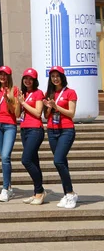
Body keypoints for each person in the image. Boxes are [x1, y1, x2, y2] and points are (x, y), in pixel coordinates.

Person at [44, 66, 78, 209]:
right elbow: (46, 116)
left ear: (62, 77)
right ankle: (67, 194)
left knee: (58, 160)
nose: (55, 78)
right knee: (62, 162)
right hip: (52, 130)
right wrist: (50, 107)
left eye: (58, 76)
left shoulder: (70, 92)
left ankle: (70, 193)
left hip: (66, 130)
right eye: (53, 76)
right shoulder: (49, 93)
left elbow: (71, 113)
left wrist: (56, 106)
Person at [0, 65, 20, 203]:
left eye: (5, 74)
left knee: (5, 156)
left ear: (9, 76)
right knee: (4, 158)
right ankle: (9, 187)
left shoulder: (14, 90)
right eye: (1, 74)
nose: (3, 77)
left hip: (9, 125)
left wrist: (8, 99)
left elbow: (15, 112)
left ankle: (4, 189)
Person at [17, 68, 46, 205]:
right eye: (25, 78)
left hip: (35, 129)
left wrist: (23, 103)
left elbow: (38, 112)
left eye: (30, 79)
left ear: (35, 80)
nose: (27, 81)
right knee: (34, 161)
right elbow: (18, 114)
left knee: (26, 160)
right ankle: (37, 193)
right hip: (24, 129)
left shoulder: (38, 93)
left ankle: (40, 190)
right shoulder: (24, 94)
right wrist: (17, 102)